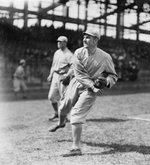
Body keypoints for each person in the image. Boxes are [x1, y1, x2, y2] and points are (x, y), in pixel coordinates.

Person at [48, 29, 118, 157]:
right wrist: (93, 85)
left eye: (88, 37)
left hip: (90, 90)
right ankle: (61, 122)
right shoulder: (79, 52)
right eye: (84, 37)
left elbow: (113, 76)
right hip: (77, 83)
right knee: (63, 107)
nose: (84, 39)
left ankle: (76, 148)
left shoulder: (105, 57)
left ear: (96, 40)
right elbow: (79, 74)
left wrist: (105, 82)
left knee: (76, 113)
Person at [47, 36, 73, 121]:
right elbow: (53, 65)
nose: (58, 43)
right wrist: (51, 74)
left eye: (61, 42)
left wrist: (67, 76)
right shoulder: (57, 52)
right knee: (51, 96)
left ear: (65, 43)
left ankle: (64, 116)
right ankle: (56, 113)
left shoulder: (69, 54)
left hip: (63, 76)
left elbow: (73, 67)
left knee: (63, 97)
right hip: (55, 75)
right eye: (58, 41)